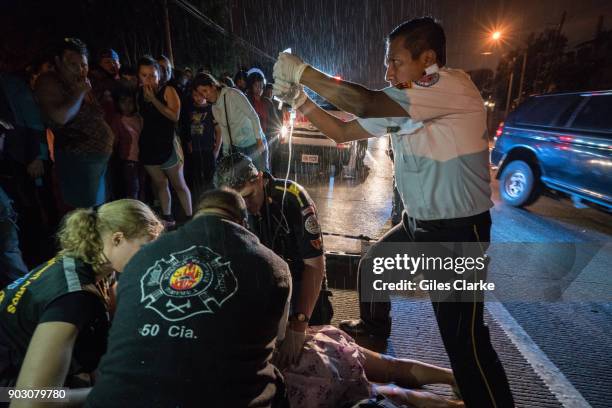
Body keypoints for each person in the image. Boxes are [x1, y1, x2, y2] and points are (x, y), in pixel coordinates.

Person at [272, 17, 514, 408]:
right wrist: (300, 100)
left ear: (428, 59)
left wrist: (302, 72)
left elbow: (364, 102)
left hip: (455, 233)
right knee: (374, 264)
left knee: (464, 340)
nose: (388, 71)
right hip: (418, 225)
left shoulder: (448, 86)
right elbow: (342, 131)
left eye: (395, 62)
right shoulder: (407, 99)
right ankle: (374, 330)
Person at [85, 189, 291, 408]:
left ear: (197, 215)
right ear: (243, 222)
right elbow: (278, 335)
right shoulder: (273, 266)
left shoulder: (141, 256)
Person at [0, 200, 163, 404]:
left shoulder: (89, 265)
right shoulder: (73, 298)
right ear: (117, 239)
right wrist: (106, 391)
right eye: (145, 248)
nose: (151, 259)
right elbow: (32, 399)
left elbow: (117, 317)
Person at [214, 153, 333, 366]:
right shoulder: (226, 208)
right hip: (263, 286)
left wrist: (299, 324)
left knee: (311, 358)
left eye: (249, 196)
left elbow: (315, 265)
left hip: (300, 283)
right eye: (238, 202)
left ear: (259, 179)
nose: (245, 207)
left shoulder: (293, 197)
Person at [281, 325, 463, 408]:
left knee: (390, 392)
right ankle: (454, 378)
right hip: (311, 346)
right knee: (390, 366)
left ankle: (454, 405)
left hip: (301, 388)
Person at [33, 38, 114, 210]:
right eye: (73, 64)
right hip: (79, 160)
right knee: (85, 214)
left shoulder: (80, 82)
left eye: (83, 65)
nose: (80, 69)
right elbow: (60, 117)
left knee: (100, 210)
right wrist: (80, 92)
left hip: (97, 159)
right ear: (58, 61)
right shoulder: (48, 81)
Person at [136, 56, 192, 227]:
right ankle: (168, 218)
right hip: (149, 146)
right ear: (139, 76)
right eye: (144, 75)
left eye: (152, 75)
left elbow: (174, 116)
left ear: (159, 75)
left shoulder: (168, 90)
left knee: (179, 184)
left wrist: (154, 99)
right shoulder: (139, 94)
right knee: (160, 184)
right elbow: (142, 119)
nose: (149, 80)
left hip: (167, 145)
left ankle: (190, 218)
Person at [196, 73, 269, 171]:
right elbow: (224, 130)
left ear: (213, 86)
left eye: (205, 90)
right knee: (247, 182)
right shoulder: (214, 108)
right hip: (239, 149)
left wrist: (259, 142)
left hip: (254, 143)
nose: (204, 96)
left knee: (263, 177)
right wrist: (226, 154)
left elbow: (253, 116)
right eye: (201, 94)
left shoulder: (232, 94)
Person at [179, 74, 221, 202]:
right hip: (195, 149)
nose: (197, 98)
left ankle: (213, 202)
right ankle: (200, 202)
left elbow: (219, 131)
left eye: (199, 94)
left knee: (210, 178)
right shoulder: (190, 108)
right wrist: (188, 142)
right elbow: (186, 127)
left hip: (209, 149)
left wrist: (216, 150)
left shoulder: (211, 109)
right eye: (194, 95)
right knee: (197, 177)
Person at [109, 85, 143, 199]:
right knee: (133, 187)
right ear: (118, 104)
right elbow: (114, 140)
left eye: (130, 102)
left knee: (142, 185)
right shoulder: (118, 119)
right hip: (128, 160)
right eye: (123, 102)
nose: (127, 105)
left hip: (142, 158)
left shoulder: (138, 117)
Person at [246, 70, 281, 150]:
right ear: (251, 86)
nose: (259, 89)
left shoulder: (268, 102)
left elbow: (274, 122)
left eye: (261, 86)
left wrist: (274, 137)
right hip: (250, 140)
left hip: (266, 138)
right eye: (256, 86)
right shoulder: (247, 101)